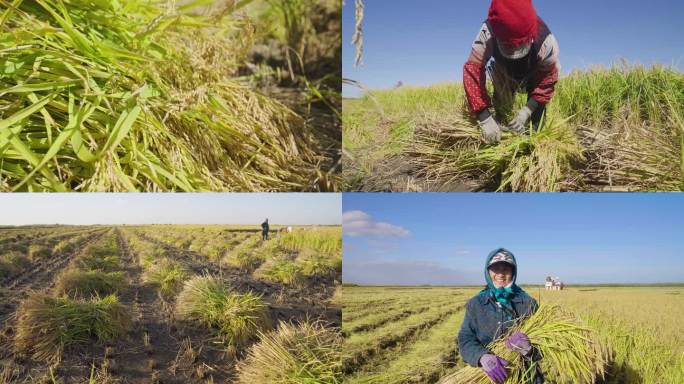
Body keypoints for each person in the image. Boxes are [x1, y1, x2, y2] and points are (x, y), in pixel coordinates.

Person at [463, 0, 561, 143]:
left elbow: (547, 79)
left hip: (534, 75)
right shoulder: (487, 32)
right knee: (501, 117)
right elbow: (473, 70)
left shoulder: (546, 41)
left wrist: (527, 110)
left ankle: (533, 142)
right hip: (504, 73)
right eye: (507, 46)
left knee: (536, 129)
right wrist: (483, 117)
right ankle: (500, 128)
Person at [457, 248, 543, 384]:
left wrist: (530, 349)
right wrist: (481, 357)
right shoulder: (476, 304)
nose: (500, 274)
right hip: (490, 377)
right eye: (495, 269)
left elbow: (545, 344)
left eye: (506, 269)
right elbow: (465, 339)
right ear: (488, 272)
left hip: (526, 377)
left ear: (513, 272)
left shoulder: (528, 303)